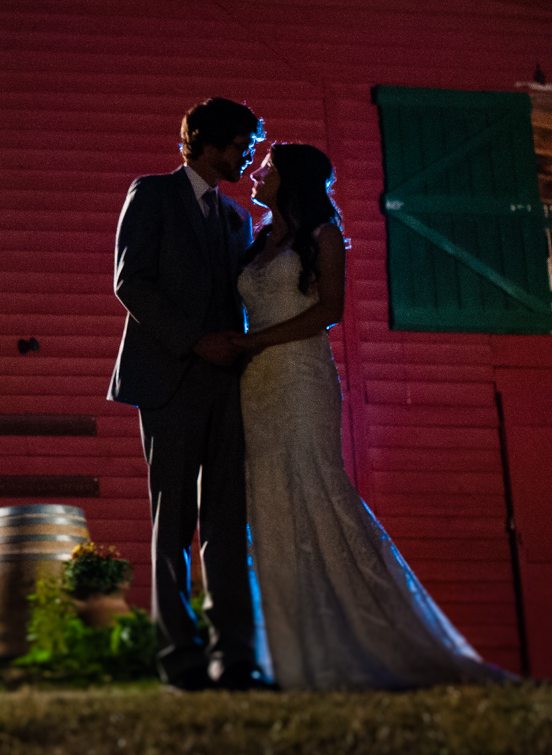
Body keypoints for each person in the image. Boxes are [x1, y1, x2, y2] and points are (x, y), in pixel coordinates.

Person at [233, 142, 511, 689]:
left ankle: (368, 635)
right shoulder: (259, 238)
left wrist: (252, 342)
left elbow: (328, 311)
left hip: (298, 377)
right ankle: (287, 644)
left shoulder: (323, 236)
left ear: (293, 179)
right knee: (263, 490)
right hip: (254, 385)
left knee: (312, 484)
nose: (256, 174)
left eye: (268, 168)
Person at [108, 97, 267, 691]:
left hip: (226, 388)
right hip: (168, 379)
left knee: (228, 524)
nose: (247, 159)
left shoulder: (236, 221)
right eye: (240, 147)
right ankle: (181, 661)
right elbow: (130, 282)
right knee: (171, 522)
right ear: (205, 142)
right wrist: (195, 342)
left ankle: (237, 659)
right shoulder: (150, 194)